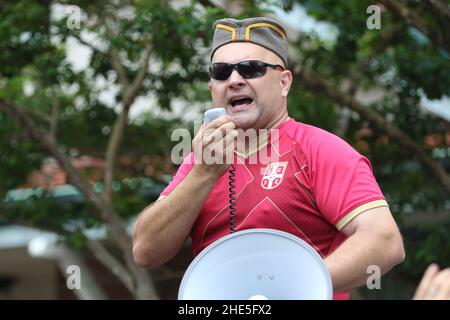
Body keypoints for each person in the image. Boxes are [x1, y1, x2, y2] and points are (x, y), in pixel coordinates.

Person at [132, 17, 405, 299]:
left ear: (284, 82)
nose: (235, 80)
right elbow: (145, 251)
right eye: (221, 72)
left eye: (251, 69)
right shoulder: (202, 159)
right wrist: (203, 174)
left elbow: (385, 240)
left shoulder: (320, 149)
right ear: (212, 87)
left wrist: (290, 289)